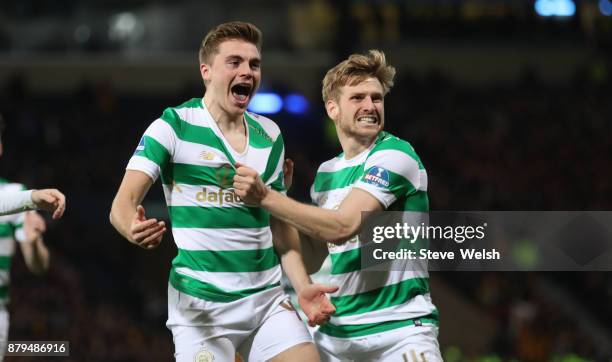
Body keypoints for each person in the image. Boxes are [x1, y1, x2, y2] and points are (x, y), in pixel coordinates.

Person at [110, 21, 335, 362]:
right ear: (207, 71)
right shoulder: (174, 126)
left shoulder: (270, 134)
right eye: (235, 62)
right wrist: (131, 227)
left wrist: (302, 286)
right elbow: (121, 205)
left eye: (254, 64)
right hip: (201, 307)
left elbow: (280, 224)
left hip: (266, 300)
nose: (247, 71)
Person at [233, 50, 442, 361]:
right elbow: (320, 254)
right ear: (332, 108)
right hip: (335, 337)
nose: (370, 106)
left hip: (399, 334)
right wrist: (279, 200)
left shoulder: (397, 156)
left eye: (376, 98)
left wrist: (268, 197)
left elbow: (343, 226)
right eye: (358, 98)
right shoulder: (327, 173)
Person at [0, 119, 51, 360]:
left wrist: (33, 242)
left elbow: (38, 265)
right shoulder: (20, 198)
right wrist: (32, 197)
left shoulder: (13, 193)